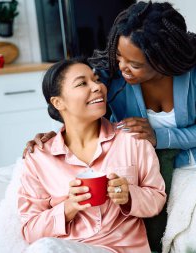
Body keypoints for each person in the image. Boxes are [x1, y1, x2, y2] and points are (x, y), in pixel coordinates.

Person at [24, 1, 196, 251]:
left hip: (173, 149)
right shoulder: (109, 71)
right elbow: (73, 99)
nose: (122, 68)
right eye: (119, 56)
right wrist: (54, 137)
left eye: (135, 64)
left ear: (163, 60)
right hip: (132, 154)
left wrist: (158, 137)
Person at [18, 57, 166, 253]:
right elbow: (30, 229)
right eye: (82, 83)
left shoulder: (133, 140)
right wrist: (69, 207)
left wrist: (129, 194)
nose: (97, 87)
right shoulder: (39, 158)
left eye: (96, 79)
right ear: (58, 102)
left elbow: (157, 198)